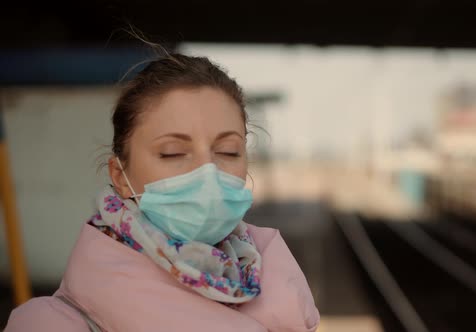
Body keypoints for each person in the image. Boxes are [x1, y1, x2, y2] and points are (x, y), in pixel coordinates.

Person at [5, 52, 320, 331]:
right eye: (172, 152)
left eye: (228, 151)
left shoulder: (288, 296)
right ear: (120, 175)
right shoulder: (52, 324)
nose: (207, 172)